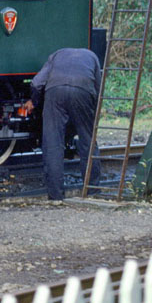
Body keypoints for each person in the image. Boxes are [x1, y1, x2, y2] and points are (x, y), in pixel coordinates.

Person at [27, 47, 103, 200]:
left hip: (55, 93)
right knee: (88, 142)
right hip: (83, 91)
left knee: (53, 145)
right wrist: (91, 115)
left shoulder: (55, 55)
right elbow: (99, 90)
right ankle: (92, 192)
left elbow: (36, 83)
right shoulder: (92, 57)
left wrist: (33, 102)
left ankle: (56, 197)